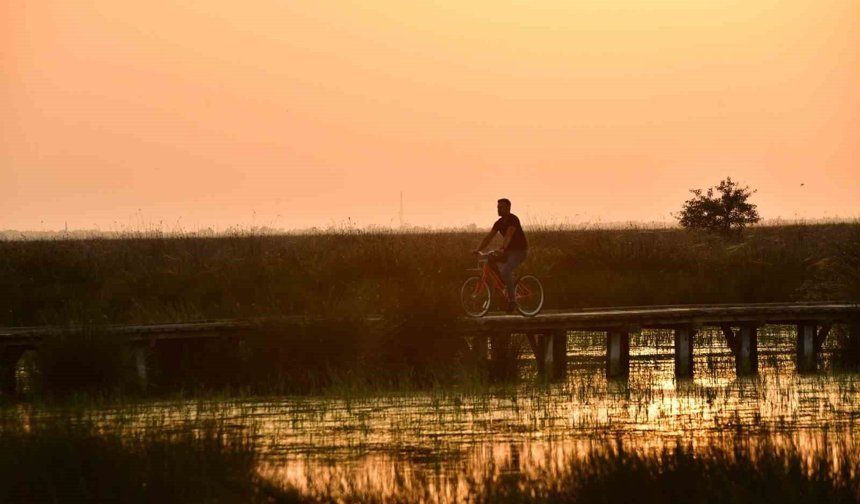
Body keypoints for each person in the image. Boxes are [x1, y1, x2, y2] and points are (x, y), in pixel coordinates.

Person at [472, 198, 528, 313]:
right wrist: (478, 250)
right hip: (508, 252)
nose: (498, 209)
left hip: (519, 252)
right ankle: (503, 283)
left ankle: (512, 301)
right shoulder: (498, 223)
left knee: (506, 271)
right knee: (490, 258)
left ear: (508, 208)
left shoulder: (513, 219)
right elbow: (489, 237)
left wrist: (502, 248)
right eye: (497, 207)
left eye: (501, 207)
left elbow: (509, 235)